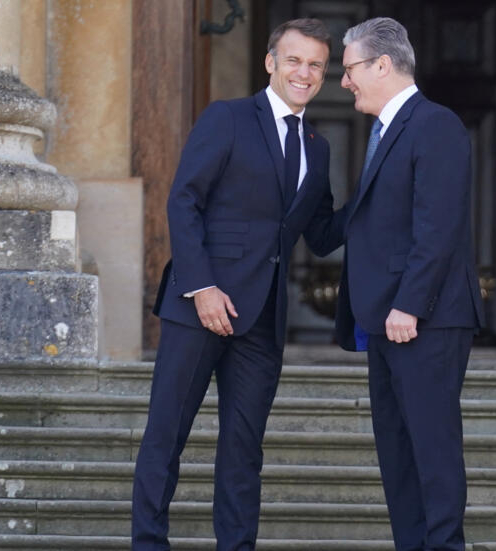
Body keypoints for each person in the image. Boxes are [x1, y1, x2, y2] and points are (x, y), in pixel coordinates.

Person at [132, 18, 344, 551]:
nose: (305, 72)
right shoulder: (226, 118)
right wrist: (200, 286)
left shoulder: (318, 147)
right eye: (294, 60)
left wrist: (379, 201)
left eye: (316, 64)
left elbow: (319, 234)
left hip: (262, 319)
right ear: (270, 62)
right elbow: (184, 201)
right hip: (199, 306)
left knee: (244, 450)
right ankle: (149, 543)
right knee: (166, 436)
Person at [334, 17, 485, 551]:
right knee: (397, 454)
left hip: (425, 318)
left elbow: (437, 226)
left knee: (431, 449)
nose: (344, 80)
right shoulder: (382, 132)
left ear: (381, 64)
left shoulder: (435, 124)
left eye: (349, 68)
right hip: (385, 320)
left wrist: (410, 306)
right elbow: (360, 219)